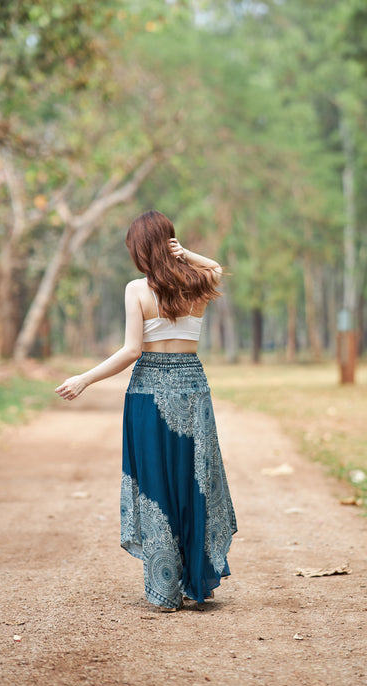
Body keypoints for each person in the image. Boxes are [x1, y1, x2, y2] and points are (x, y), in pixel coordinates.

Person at [55, 210, 237, 612]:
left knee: (155, 484)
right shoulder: (199, 282)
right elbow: (217, 267)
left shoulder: (136, 289)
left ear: (139, 249)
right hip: (193, 387)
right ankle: (195, 583)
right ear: (170, 243)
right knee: (194, 480)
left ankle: (164, 588)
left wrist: (85, 379)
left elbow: (131, 350)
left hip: (148, 390)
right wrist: (187, 255)